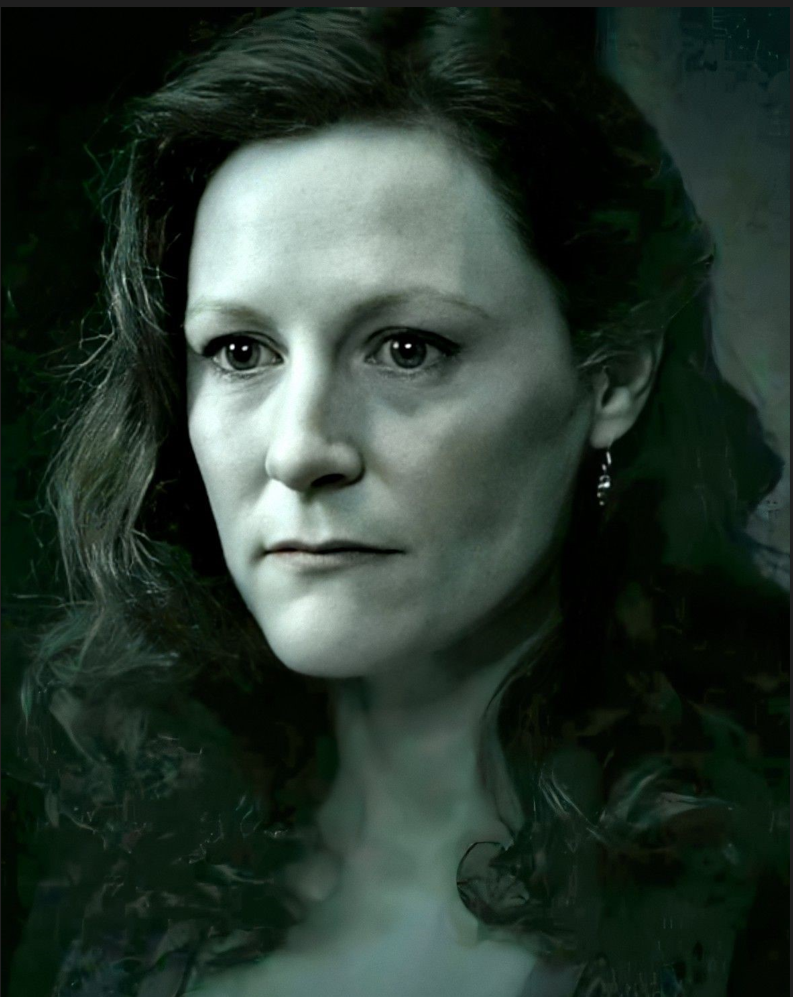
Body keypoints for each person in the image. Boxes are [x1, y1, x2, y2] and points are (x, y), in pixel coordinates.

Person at [12, 9, 788, 997]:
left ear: (613, 374)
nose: (299, 448)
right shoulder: (116, 894)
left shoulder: (765, 901)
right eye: (240, 352)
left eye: (407, 349)